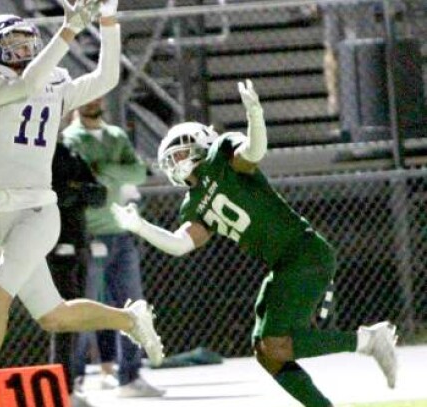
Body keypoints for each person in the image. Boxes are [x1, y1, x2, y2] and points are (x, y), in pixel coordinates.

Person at [0, 1, 164, 406]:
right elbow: (24, 86)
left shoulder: (53, 77)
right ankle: (129, 318)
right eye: (12, 43)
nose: (21, 50)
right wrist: (68, 30)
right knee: (52, 316)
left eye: (26, 43)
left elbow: (106, 76)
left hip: (38, 210)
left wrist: (106, 21)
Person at [111, 79, 398, 407]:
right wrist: (140, 226)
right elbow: (180, 244)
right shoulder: (192, 203)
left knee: (276, 344)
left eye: (179, 150)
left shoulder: (221, 155)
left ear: (201, 142)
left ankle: (368, 340)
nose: (175, 161)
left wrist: (255, 116)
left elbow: (254, 152)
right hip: (285, 264)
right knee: (268, 354)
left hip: (303, 253)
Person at [63, 97, 165, 397]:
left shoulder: (116, 136)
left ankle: (130, 376)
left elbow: (137, 172)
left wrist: (105, 167)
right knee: (83, 308)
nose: (94, 102)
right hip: (90, 233)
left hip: (120, 231)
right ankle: (74, 380)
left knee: (134, 306)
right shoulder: (71, 140)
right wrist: (114, 170)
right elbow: (88, 177)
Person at [47, 130, 108, 406]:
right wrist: (75, 191)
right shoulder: (36, 157)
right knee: (62, 318)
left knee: (75, 318)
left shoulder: (69, 152)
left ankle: (66, 385)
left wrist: (75, 191)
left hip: (79, 243)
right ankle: (61, 386)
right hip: (53, 245)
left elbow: (99, 194)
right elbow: (52, 196)